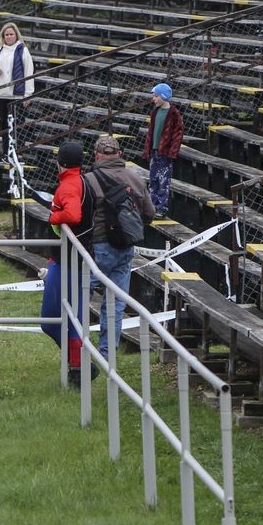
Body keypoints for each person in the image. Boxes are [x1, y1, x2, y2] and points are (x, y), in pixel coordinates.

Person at [86, 134, 154, 360]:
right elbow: (149, 214)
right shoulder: (135, 178)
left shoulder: (89, 179)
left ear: (96, 155)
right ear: (120, 155)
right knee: (115, 305)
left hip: (98, 247)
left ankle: (76, 348)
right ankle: (108, 356)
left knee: (78, 293)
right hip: (125, 248)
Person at [43, 140, 93, 384]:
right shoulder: (81, 181)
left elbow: (73, 215)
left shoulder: (69, 186)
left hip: (68, 260)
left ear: (60, 163)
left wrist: (54, 217)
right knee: (73, 319)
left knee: (51, 319)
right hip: (71, 258)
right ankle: (78, 367)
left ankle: (80, 365)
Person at [0, 22, 34, 132]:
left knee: (18, 127)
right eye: (7, 35)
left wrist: (28, 95)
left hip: (17, 95)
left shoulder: (22, 50)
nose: (9, 37)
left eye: (11, 34)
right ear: (3, 36)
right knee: (4, 126)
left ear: (16, 35)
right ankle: (6, 149)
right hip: (1, 94)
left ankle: (18, 149)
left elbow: (29, 72)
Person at [144, 82, 183, 217]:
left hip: (165, 153)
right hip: (155, 151)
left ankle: (161, 208)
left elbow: (177, 134)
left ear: (163, 96)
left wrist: (172, 151)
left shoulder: (173, 113)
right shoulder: (155, 112)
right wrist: (147, 149)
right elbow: (151, 132)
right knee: (153, 178)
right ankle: (152, 206)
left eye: (155, 96)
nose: (153, 99)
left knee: (163, 181)